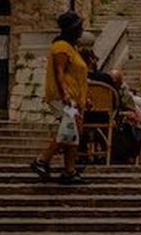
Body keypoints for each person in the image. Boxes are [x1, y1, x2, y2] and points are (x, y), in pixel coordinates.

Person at [31, 11, 90, 185]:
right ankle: (42, 160)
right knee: (70, 131)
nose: (82, 30)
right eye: (80, 27)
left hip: (73, 98)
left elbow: (77, 76)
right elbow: (60, 72)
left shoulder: (72, 48)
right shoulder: (61, 47)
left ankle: (69, 171)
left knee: (74, 132)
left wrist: (85, 98)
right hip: (62, 97)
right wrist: (65, 95)